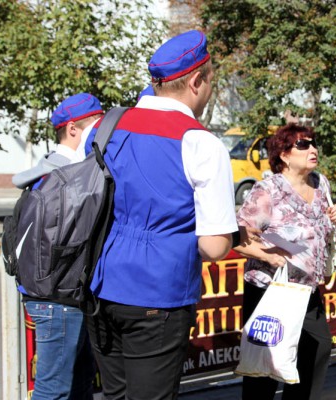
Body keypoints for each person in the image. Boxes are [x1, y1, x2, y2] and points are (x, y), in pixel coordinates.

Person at [82, 30, 239, 399]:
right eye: (211, 81)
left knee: (116, 395)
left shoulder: (105, 127)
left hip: (100, 285)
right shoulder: (201, 143)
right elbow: (215, 247)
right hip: (158, 295)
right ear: (197, 81)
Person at [234, 123, 336, 400]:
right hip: (270, 290)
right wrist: (268, 256)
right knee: (265, 367)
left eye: (314, 142)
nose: (313, 149)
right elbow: (237, 238)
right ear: (283, 154)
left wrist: (335, 217)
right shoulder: (267, 190)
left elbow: (321, 227)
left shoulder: (321, 183)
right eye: (303, 145)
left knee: (317, 351)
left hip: (306, 288)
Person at [12, 92, 104, 400]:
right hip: (59, 296)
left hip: (55, 294)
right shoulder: (70, 176)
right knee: (54, 391)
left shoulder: (48, 171)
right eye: (95, 125)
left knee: (78, 384)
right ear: (73, 129)